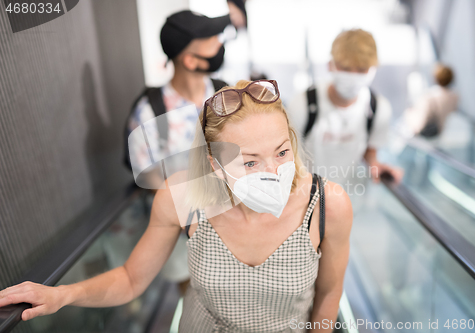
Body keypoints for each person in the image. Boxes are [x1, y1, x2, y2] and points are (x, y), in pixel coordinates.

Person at [0, 80, 353, 333]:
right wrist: (63, 294)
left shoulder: (328, 205)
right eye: (250, 162)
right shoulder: (181, 197)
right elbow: (131, 278)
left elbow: (328, 292)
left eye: (281, 151)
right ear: (215, 164)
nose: (274, 172)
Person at [124, 10, 230, 293]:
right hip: (182, 233)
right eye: (210, 40)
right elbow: (148, 179)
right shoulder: (148, 113)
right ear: (190, 59)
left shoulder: (227, 95)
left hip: (233, 224)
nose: (220, 45)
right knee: (193, 294)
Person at [287, 29, 403, 188]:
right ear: (331, 65)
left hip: (352, 199)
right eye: (346, 68)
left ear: (373, 69)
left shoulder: (378, 109)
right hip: (308, 199)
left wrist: (376, 165)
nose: (353, 76)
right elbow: (288, 156)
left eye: (362, 70)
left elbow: (370, 151)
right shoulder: (303, 105)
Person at [402, 64, 458, 138]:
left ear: (436, 78)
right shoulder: (455, 97)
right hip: (440, 131)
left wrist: (409, 115)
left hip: (425, 133)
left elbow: (420, 124)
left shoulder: (429, 97)